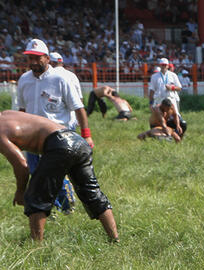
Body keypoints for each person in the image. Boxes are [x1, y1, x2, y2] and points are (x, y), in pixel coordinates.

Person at [0, 110, 118, 242]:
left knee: (36, 195)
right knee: (92, 192)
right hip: (77, 140)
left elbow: (21, 165)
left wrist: (20, 191)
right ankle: (115, 239)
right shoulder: (7, 114)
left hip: (59, 144)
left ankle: (35, 247)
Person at [17, 38, 90, 216]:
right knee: (36, 174)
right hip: (32, 137)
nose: (33, 62)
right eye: (30, 58)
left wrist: (86, 134)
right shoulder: (24, 80)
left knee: (56, 175)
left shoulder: (61, 78)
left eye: (37, 58)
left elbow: (78, 108)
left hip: (58, 137)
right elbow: (21, 110)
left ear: (47, 58)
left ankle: (67, 208)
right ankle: (51, 210)